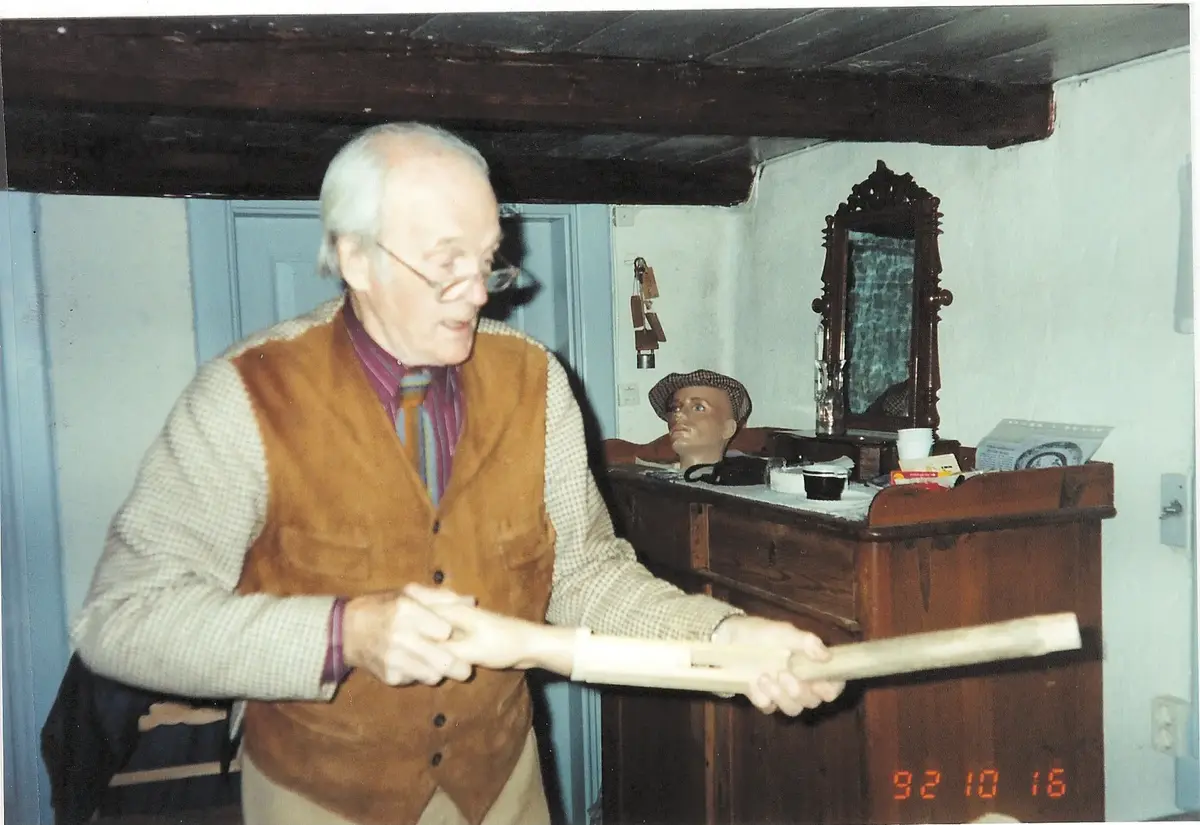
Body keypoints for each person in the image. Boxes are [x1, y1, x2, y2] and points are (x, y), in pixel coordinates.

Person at [70, 122, 845, 825]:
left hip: (500, 788)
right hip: (320, 794)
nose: (477, 293)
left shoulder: (535, 381)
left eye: (486, 262)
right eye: (446, 264)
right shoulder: (244, 396)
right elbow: (122, 620)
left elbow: (584, 574)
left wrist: (722, 636)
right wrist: (344, 632)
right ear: (356, 257)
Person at [648, 368, 751, 470]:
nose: (678, 414)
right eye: (675, 408)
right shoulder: (647, 476)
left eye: (698, 408)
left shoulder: (748, 477)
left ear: (728, 429)